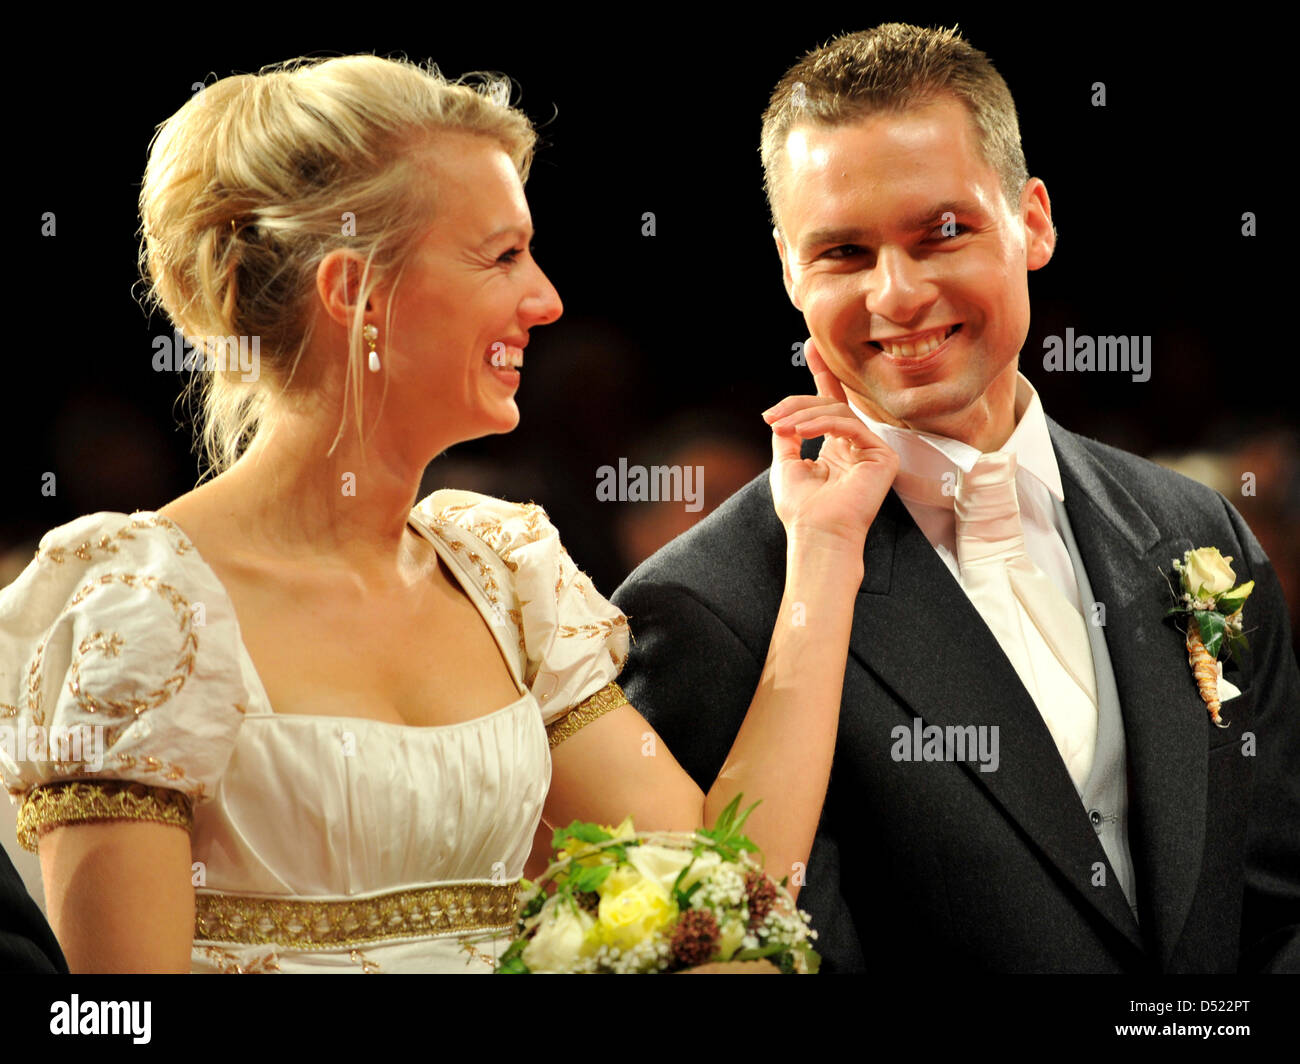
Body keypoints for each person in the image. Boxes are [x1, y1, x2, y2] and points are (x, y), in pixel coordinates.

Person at [0, 53, 897, 974]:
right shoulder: (134, 607)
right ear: (357, 292)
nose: (545, 299)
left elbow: (717, 887)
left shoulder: (504, 576)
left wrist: (824, 551)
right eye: (502, 255)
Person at [612, 23, 1300, 973]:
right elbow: (743, 955)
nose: (896, 294)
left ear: (1035, 221)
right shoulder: (707, 607)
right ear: (786, 270)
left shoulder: (1193, 528)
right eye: (844, 253)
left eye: (942, 232)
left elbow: (1272, 902)